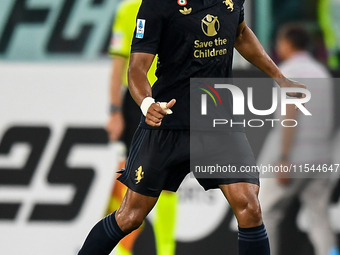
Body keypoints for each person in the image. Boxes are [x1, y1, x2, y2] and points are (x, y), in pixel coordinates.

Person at [77, 1, 306, 254]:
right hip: (168, 120)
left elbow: (240, 33)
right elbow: (137, 67)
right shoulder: (157, 5)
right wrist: (147, 103)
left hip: (217, 120)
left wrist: (279, 78)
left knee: (250, 207)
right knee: (130, 216)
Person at [258, 23, 340, 255]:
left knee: (263, 214)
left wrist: (284, 157)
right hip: (321, 158)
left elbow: (290, 112)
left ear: (287, 44)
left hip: (293, 157)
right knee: (319, 219)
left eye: (280, 42)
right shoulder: (322, 72)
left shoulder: (288, 72)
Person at [105, 0, 178, 254]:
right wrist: (114, 111)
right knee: (130, 177)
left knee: (168, 177)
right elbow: (119, 66)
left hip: (171, 98)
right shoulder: (128, 9)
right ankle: (123, 250)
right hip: (138, 100)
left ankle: (166, 250)